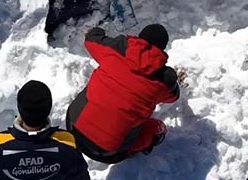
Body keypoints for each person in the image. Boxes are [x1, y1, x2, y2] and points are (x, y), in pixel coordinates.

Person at [66, 23, 183, 164]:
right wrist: (173, 80)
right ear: (162, 49)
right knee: (155, 128)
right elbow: (173, 96)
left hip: (72, 126)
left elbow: (91, 40)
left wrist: (97, 30)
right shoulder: (163, 79)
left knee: (101, 86)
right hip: (107, 153)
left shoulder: (117, 48)